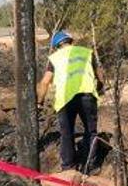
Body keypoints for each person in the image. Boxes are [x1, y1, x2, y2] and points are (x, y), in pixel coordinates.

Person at [36, 31, 105, 172]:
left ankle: (68, 166)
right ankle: (89, 166)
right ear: (71, 42)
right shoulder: (86, 52)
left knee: (66, 133)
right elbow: (100, 75)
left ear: (56, 46)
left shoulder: (55, 57)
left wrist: (39, 102)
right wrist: (100, 88)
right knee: (90, 132)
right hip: (87, 95)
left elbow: (44, 82)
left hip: (65, 99)